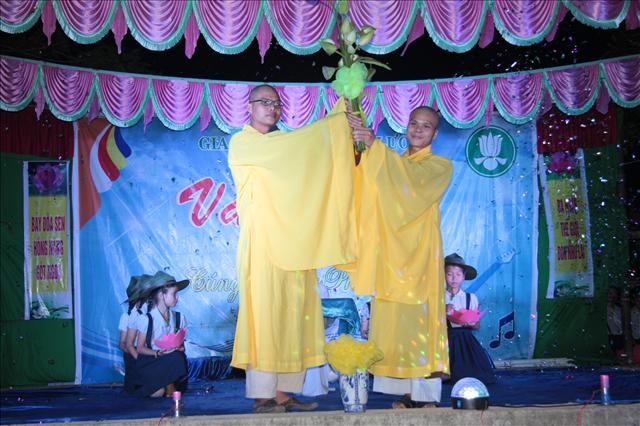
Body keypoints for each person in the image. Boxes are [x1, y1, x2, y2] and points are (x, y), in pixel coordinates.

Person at [228, 85, 359, 413]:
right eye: (264, 102)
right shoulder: (243, 142)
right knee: (266, 318)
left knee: (293, 316)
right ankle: (263, 396)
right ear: (249, 107)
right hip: (263, 244)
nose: (271, 108)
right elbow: (300, 147)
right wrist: (334, 121)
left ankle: (284, 393)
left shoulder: (282, 143)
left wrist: (343, 131)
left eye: (276, 103)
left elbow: (310, 168)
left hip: (294, 240)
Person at [343, 106, 453, 408]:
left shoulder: (439, 166)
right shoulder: (390, 161)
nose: (418, 129)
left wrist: (374, 145)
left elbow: (409, 180)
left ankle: (426, 396)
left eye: (426, 126)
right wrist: (357, 146)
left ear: (435, 134)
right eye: (414, 123)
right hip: (392, 258)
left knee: (421, 325)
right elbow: (369, 185)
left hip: (421, 259)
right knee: (397, 326)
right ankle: (407, 392)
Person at [130, 271, 189, 397]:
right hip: (152, 362)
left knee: (177, 356)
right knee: (158, 392)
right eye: (174, 294)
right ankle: (166, 386)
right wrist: (158, 353)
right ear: (162, 295)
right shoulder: (147, 319)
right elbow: (140, 348)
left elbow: (182, 347)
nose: (177, 298)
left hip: (172, 361)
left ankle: (169, 385)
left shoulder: (180, 318)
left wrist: (180, 348)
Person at [444, 253, 496, 384]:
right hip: (444, 341)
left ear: (463, 277)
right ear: (443, 275)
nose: (454, 278)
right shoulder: (438, 297)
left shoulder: (470, 298)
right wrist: (442, 311)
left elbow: (477, 325)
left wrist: (470, 322)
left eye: (458, 274)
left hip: (465, 341)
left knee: (474, 377)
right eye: (449, 274)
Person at [606, 287, 624, 359]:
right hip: (608, 338)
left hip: (620, 339)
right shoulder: (602, 309)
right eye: (609, 293)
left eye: (614, 293)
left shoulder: (620, 309)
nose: (611, 295)